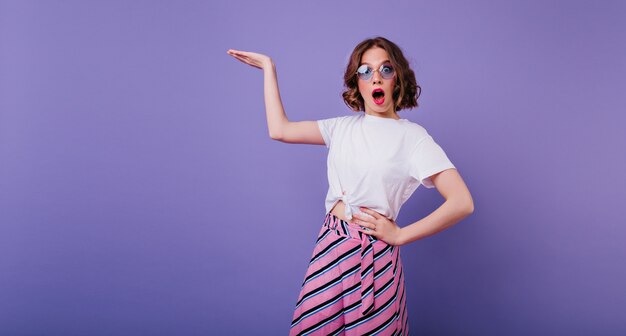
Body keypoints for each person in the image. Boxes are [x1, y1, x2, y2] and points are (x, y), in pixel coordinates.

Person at [227, 36, 474, 336]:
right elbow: (279, 129)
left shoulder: (414, 138)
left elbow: (462, 201)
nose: (375, 78)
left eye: (386, 69)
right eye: (365, 71)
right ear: (356, 82)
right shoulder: (341, 128)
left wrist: (401, 235)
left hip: (375, 255)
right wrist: (269, 68)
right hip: (331, 244)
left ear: (398, 79)